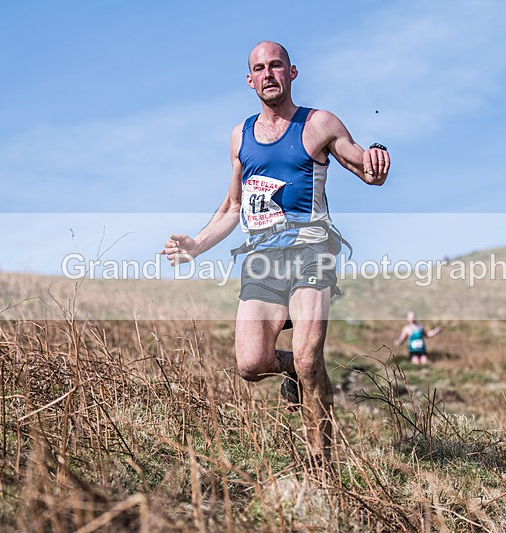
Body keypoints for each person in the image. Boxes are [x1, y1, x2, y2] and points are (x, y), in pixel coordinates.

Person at [161, 41, 390, 465]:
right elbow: (232, 206)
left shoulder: (319, 124)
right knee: (251, 364)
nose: (269, 74)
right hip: (262, 258)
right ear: (250, 80)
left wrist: (376, 156)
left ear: (292, 72)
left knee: (308, 357)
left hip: (311, 251)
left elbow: (364, 168)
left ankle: (322, 466)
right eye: (260, 69)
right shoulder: (240, 135)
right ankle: (297, 374)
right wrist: (197, 244)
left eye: (276, 66)